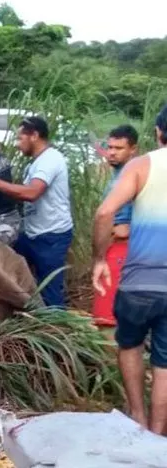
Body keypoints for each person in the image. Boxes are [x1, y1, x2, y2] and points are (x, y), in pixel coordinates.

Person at [92, 105, 167, 434]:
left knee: (130, 346)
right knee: (165, 365)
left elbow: (104, 212)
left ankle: (137, 418)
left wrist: (98, 260)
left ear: (158, 132)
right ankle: (157, 433)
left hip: (139, 282)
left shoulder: (141, 165)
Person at [0, 116, 73, 308]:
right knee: (11, 265)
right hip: (33, 234)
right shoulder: (35, 163)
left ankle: (56, 329)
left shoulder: (49, 160)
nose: (18, 145)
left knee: (50, 289)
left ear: (34, 135)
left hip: (51, 236)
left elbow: (32, 193)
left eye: (20, 139)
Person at [91, 125, 138, 329]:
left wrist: (119, 230)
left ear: (133, 149)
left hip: (121, 247)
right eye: (109, 147)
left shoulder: (133, 174)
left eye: (118, 148)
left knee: (106, 314)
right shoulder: (118, 174)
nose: (111, 153)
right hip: (113, 245)